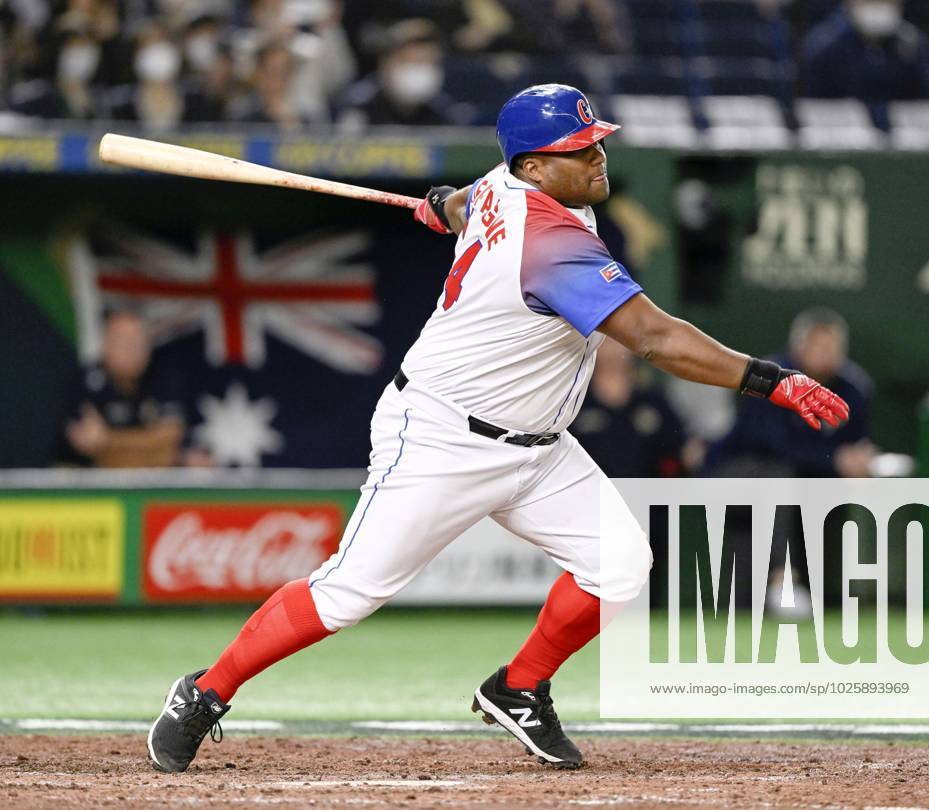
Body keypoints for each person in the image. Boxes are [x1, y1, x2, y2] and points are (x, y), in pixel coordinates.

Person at [146, 84, 849, 773]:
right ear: (534, 168)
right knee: (347, 593)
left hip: (538, 448)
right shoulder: (547, 240)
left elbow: (462, 202)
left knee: (622, 565)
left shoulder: (504, 185)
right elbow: (654, 339)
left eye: (597, 142)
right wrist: (771, 379)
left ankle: (519, 686)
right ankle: (205, 692)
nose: (598, 157)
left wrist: (440, 208)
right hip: (442, 436)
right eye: (579, 150)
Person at [705, 307, 873, 479]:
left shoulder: (854, 387)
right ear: (799, 347)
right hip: (743, 469)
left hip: (810, 476)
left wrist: (856, 458)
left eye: (832, 347)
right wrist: (833, 459)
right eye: (819, 346)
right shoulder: (770, 379)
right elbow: (773, 446)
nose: (826, 354)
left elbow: (856, 442)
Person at [54, 310, 187, 468]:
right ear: (105, 345)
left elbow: (169, 443)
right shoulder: (84, 381)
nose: (132, 350)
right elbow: (92, 451)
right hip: (87, 484)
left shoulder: (161, 375)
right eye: (123, 342)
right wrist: (148, 446)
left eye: (138, 341)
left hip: (150, 484)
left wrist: (110, 440)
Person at [801, 0, 929, 127]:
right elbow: (815, 104)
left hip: (904, 135)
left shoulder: (911, 44)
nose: (877, 5)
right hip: (838, 133)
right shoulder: (825, 44)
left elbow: (924, 103)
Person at [572, 338, 696, 477]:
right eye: (605, 341)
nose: (613, 348)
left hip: (647, 494)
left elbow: (681, 453)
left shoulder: (653, 401)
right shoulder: (575, 403)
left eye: (617, 339)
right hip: (592, 494)